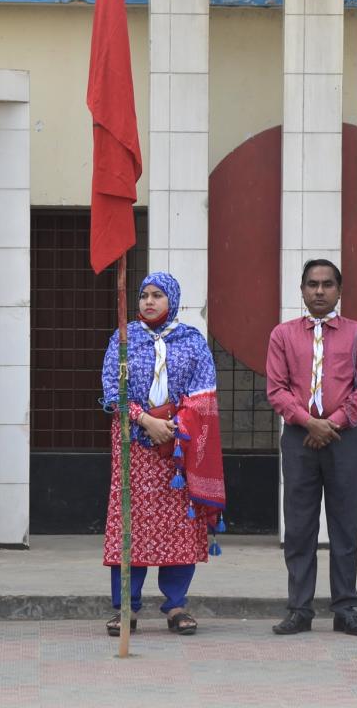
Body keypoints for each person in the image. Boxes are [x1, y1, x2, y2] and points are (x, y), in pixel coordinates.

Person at [101, 272, 226, 637]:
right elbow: (112, 389)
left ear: (172, 300)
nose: (149, 301)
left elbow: (204, 390)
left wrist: (171, 426)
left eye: (158, 295)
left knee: (179, 525)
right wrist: (145, 421)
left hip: (179, 448)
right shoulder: (123, 339)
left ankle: (176, 605)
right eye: (144, 295)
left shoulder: (192, 340)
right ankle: (127, 606)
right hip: (135, 447)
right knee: (132, 524)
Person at [267, 259, 357, 637]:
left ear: (339, 290)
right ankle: (299, 609)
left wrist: (332, 423)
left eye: (327, 284)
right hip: (300, 439)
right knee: (299, 527)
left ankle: (346, 608)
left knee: (346, 525)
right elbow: (277, 388)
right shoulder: (282, 335)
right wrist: (308, 421)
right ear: (301, 290)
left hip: (343, 438)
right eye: (312, 284)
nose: (319, 291)